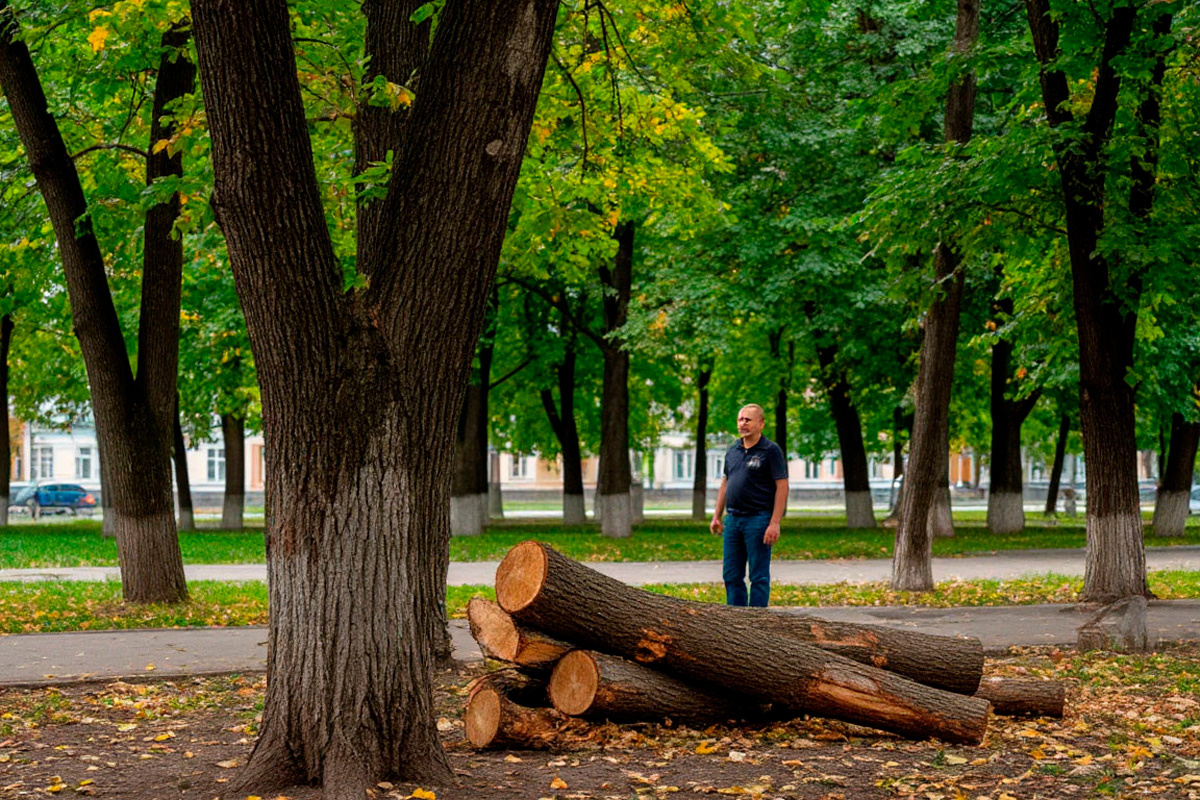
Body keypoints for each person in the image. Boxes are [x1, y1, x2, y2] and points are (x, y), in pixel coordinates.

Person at [710, 404, 789, 607]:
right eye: (740, 419)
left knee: (758, 576)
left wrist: (774, 523)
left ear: (761, 424)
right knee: (731, 575)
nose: (743, 423)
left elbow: (782, 486)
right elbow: (725, 483)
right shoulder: (733, 451)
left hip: (758, 520)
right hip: (733, 521)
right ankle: (737, 623)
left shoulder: (770, 451)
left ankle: (758, 623)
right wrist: (716, 516)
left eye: (748, 420)